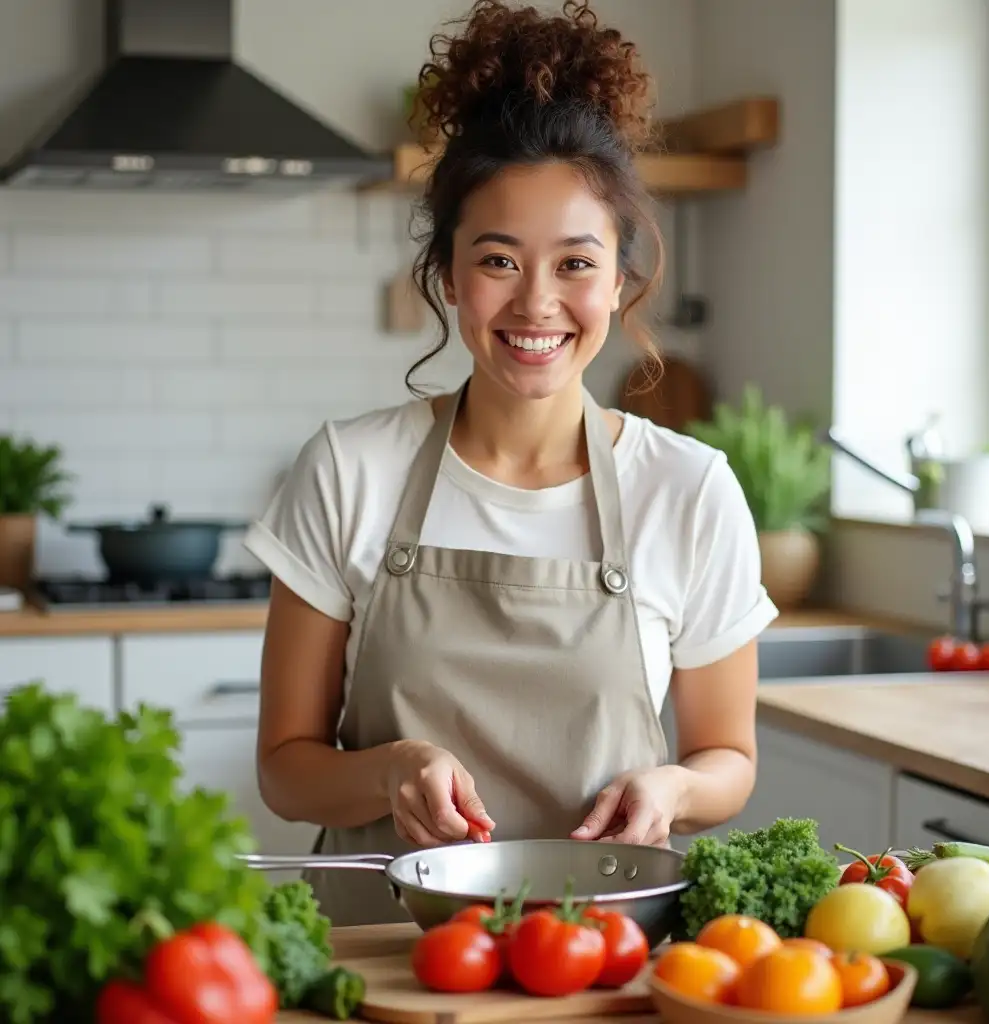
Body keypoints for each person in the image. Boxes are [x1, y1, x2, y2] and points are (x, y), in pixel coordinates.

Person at [243, 0, 778, 927]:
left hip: (598, 955)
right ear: (449, 275)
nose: (537, 304)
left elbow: (727, 759)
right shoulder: (347, 469)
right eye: (498, 259)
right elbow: (286, 770)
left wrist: (672, 792)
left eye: (575, 263)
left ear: (620, 278)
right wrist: (390, 770)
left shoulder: (688, 490)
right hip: (383, 953)